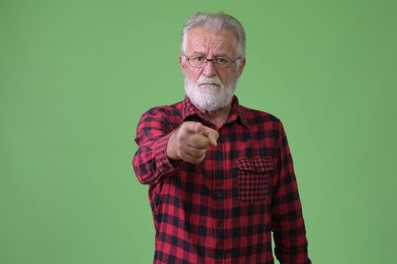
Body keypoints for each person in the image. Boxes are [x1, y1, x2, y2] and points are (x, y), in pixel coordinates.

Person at [133, 12, 311, 264]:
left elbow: (289, 222)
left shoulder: (269, 130)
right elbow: (142, 166)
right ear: (183, 64)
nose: (209, 70)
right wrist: (173, 145)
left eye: (221, 59)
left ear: (240, 66)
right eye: (198, 58)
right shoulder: (160, 120)